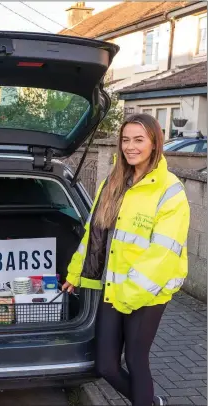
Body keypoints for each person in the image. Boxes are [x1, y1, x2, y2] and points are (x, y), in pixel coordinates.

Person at [62, 113, 190, 406]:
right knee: (104, 366)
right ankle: (151, 402)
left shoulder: (170, 190)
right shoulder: (113, 182)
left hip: (147, 292)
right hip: (113, 288)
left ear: (155, 142)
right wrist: (75, 273)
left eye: (139, 140)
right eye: (125, 140)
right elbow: (93, 235)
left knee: (135, 359)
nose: (130, 146)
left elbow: (163, 252)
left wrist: (130, 294)